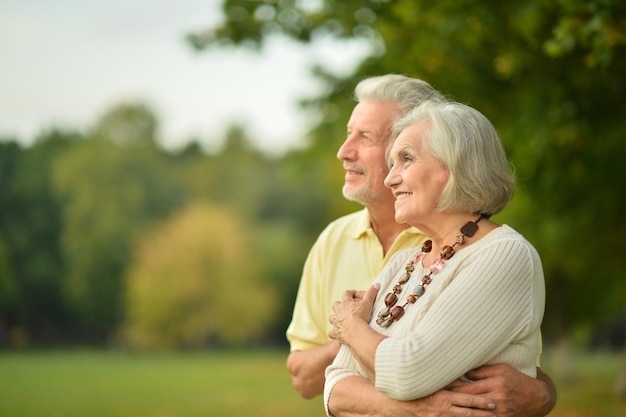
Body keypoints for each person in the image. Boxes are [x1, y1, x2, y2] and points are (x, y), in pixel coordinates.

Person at [286, 74, 556, 416]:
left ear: (456, 163)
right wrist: (418, 407)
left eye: (406, 158)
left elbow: (408, 371)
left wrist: (351, 327)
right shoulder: (405, 261)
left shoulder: (501, 253)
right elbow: (334, 388)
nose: (390, 176)